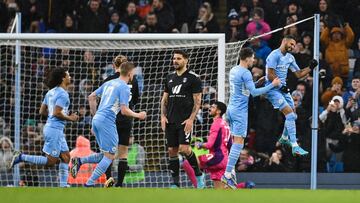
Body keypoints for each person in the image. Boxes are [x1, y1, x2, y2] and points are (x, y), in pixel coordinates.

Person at [70, 62, 146, 187]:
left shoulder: (108, 83)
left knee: (106, 154)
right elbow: (124, 110)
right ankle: (89, 184)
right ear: (130, 73)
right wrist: (139, 115)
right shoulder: (124, 87)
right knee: (110, 156)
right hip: (107, 121)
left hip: (97, 119)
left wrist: (95, 117)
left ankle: (79, 161)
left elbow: (91, 97)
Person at [221, 47, 281, 189]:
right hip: (240, 111)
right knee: (239, 143)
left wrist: (257, 83)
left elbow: (245, 89)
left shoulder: (234, 70)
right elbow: (253, 93)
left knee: (233, 142)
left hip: (230, 108)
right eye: (253, 58)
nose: (253, 60)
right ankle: (227, 174)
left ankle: (229, 173)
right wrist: (272, 85)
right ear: (247, 58)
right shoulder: (246, 72)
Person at [10, 67, 79, 187]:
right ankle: (21, 157)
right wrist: (70, 118)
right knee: (51, 161)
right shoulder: (63, 94)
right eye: (68, 75)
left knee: (66, 157)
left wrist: (54, 115)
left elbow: (41, 111)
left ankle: (63, 185)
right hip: (54, 130)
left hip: (54, 128)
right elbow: (57, 113)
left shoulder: (50, 92)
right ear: (63, 78)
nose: (70, 77)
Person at [265, 35, 318, 156]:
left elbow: (299, 74)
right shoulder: (274, 55)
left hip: (283, 89)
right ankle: (295, 145)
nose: (293, 47)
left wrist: (310, 67)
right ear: (284, 41)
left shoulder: (290, 58)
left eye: (294, 45)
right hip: (273, 89)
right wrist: (280, 86)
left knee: (293, 115)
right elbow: (270, 75)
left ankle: (284, 137)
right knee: (289, 114)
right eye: (291, 44)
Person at [160, 50, 205, 188]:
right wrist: (162, 116)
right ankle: (175, 184)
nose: (175, 61)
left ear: (186, 60)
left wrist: (191, 119)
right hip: (170, 120)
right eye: (174, 58)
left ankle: (199, 175)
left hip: (185, 120)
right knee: (172, 151)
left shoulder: (194, 78)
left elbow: (198, 101)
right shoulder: (169, 77)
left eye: (178, 58)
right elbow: (164, 99)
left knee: (184, 149)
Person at [102, 55, 140, 188]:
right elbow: (135, 100)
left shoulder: (108, 80)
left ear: (114, 65)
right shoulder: (132, 81)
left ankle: (108, 180)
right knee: (123, 152)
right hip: (125, 119)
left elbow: (102, 100)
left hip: (109, 119)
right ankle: (120, 184)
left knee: (108, 152)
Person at [195, 101, 231, 189]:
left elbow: (209, 145)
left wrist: (200, 144)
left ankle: (200, 183)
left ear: (218, 111)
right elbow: (230, 144)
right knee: (219, 191)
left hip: (217, 157)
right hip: (225, 159)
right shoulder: (225, 124)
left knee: (189, 161)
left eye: (213, 107)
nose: (210, 109)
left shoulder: (216, 124)